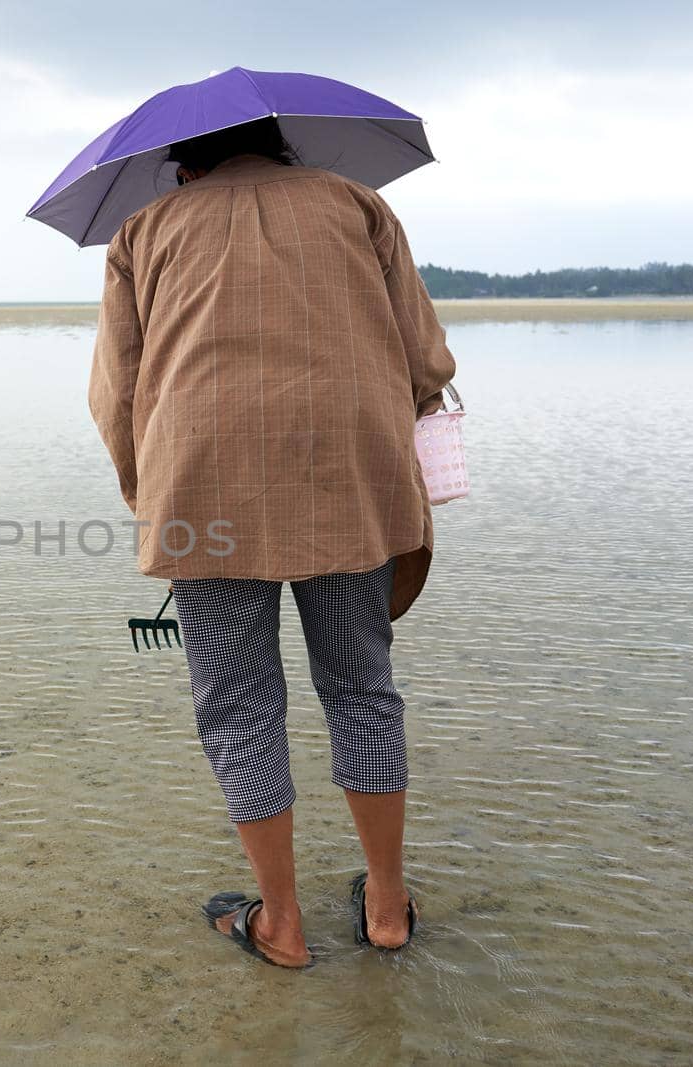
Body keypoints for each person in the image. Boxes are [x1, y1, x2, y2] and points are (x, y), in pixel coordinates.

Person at [87, 116, 457, 967]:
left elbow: (117, 393)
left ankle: (281, 924)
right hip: (350, 479)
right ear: (285, 143)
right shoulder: (356, 205)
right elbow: (425, 360)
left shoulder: (141, 231)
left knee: (238, 702)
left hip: (202, 488)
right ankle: (389, 907)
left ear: (182, 164)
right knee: (362, 689)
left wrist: (151, 497)